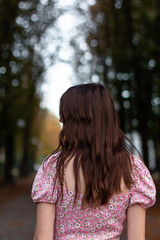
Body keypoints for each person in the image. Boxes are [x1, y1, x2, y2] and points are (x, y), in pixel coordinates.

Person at [31, 83, 156, 240]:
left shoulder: (53, 167)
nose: (61, 119)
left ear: (76, 120)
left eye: (65, 115)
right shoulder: (133, 169)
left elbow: (43, 237)